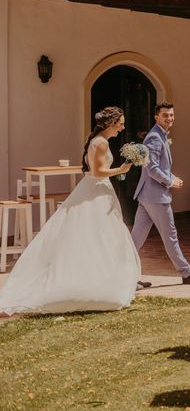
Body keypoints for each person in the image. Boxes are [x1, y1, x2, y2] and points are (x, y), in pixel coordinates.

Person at [0, 107, 141, 315]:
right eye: (120, 123)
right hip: (95, 192)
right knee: (96, 235)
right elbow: (98, 172)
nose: (122, 127)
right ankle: (92, 285)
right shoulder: (101, 143)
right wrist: (121, 170)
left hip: (96, 190)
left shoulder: (100, 141)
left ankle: (101, 280)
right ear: (111, 123)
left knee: (100, 236)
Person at [130, 102, 190, 286]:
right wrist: (170, 181)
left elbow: (159, 167)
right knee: (170, 235)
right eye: (165, 115)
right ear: (156, 117)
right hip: (156, 197)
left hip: (146, 196)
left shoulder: (160, 135)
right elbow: (152, 168)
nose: (169, 118)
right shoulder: (154, 137)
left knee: (135, 239)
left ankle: (122, 273)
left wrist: (172, 177)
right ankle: (187, 273)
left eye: (171, 115)